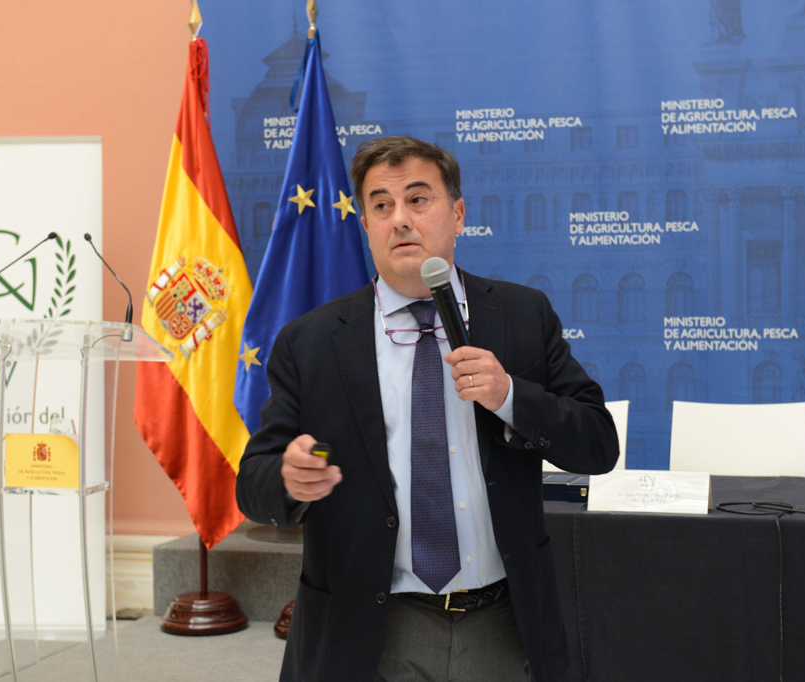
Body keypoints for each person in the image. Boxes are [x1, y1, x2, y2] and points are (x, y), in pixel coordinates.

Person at [236, 136, 619, 682]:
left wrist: (510, 396)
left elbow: (599, 444)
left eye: (418, 199)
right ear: (366, 225)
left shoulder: (521, 316)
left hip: (503, 621)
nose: (400, 219)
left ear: (458, 214)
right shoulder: (311, 342)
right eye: (381, 205)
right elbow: (253, 485)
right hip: (369, 627)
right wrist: (287, 478)